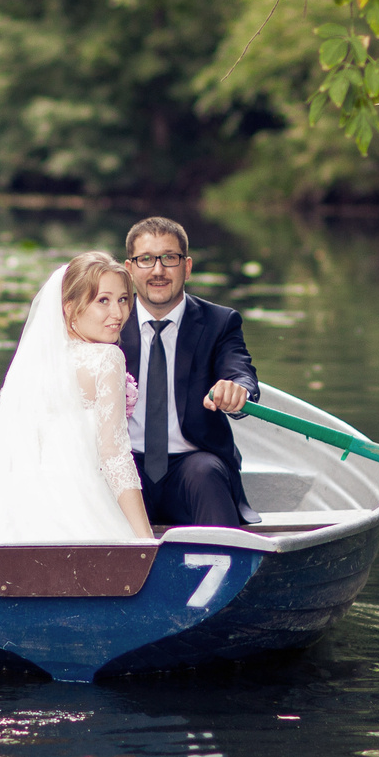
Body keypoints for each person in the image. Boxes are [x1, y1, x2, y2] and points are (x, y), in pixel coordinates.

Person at [0, 251, 157, 544]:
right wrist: (146, 538)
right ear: (70, 308)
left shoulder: (35, 361)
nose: (118, 313)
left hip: (17, 511)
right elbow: (114, 456)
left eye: (123, 299)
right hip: (80, 506)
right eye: (103, 300)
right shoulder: (107, 357)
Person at [117, 217, 262, 527]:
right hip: (123, 462)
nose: (158, 270)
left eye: (169, 258)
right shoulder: (108, 321)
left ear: (187, 266)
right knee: (100, 475)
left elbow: (239, 370)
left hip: (192, 466)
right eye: (146, 259)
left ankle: (227, 563)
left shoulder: (219, 322)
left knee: (205, 473)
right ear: (129, 269)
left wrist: (238, 389)